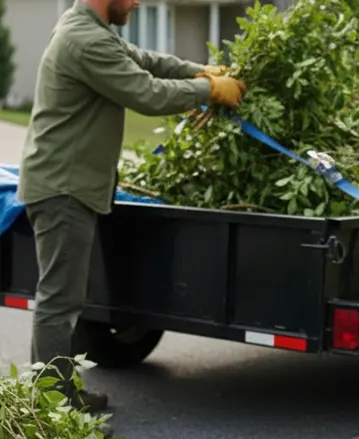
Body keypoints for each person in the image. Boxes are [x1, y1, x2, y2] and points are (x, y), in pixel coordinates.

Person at [18, 0, 246, 412]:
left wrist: (198, 70)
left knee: (65, 298)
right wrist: (208, 90)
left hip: (67, 184)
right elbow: (147, 93)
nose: (138, 2)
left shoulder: (90, 28)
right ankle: (52, 406)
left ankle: (60, 393)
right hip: (63, 188)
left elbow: (146, 60)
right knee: (59, 301)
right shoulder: (85, 40)